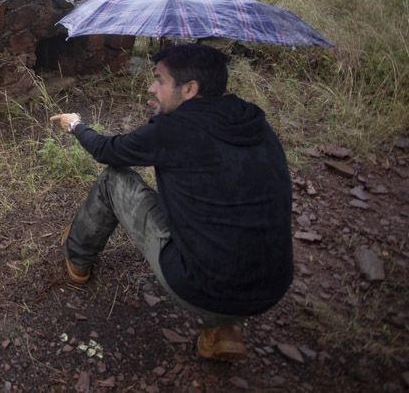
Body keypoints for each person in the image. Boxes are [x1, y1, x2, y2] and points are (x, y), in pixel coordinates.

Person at [49, 43, 292, 361]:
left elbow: (107, 151)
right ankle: (224, 330)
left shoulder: (175, 129)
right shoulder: (253, 121)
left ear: (190, 88)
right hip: (271, 285)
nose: (151, 87)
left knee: (114, 180)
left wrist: (75, 125)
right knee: (226, 234)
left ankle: (77, 258)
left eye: (160, 80)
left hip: (202, 285)